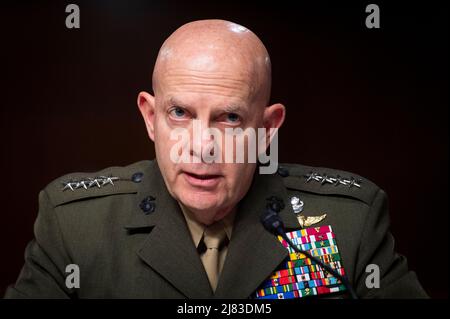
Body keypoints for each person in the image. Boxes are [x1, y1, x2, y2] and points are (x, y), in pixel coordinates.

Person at [4, 19, 427, 299]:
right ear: (151, 118)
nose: (201, 146)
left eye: (229, 117)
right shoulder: (75, 226)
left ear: (266, 129)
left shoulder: (349, 223)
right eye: (180, 113)